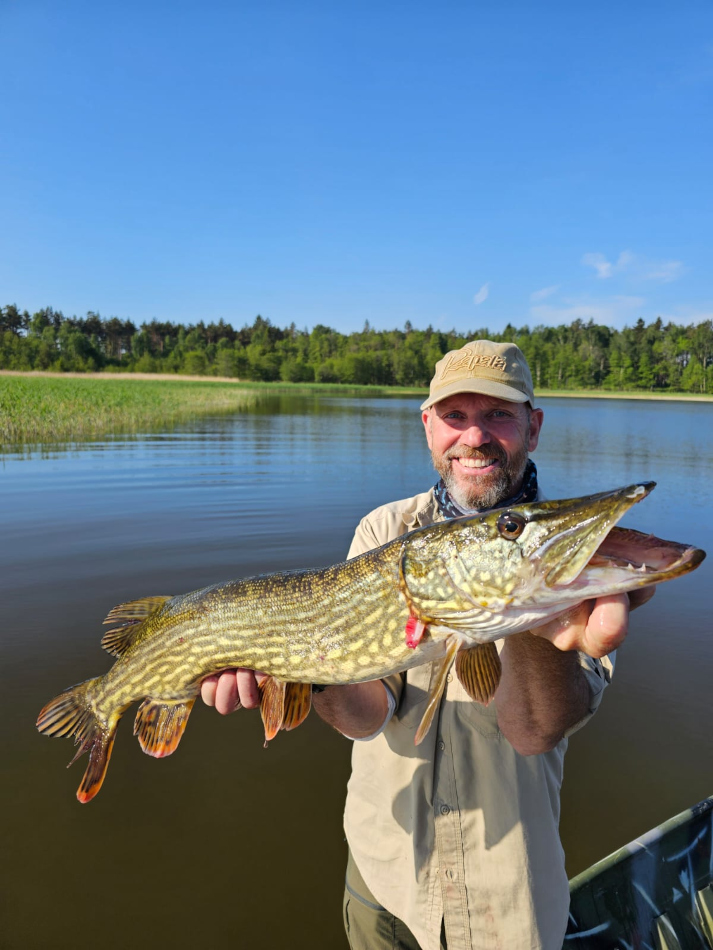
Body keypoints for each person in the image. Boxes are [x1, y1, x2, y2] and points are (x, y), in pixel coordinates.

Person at [201, 340, 653, 950]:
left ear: (533, 427)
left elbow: (533, 732)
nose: (475, 437)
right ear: (428, 427)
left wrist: (531, 615)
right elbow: (369, 717)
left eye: (498, 415)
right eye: (455, 417)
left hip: (505, 908)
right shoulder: (384, 532)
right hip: (383, 878)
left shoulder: (567, 569)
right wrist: (298, 668)